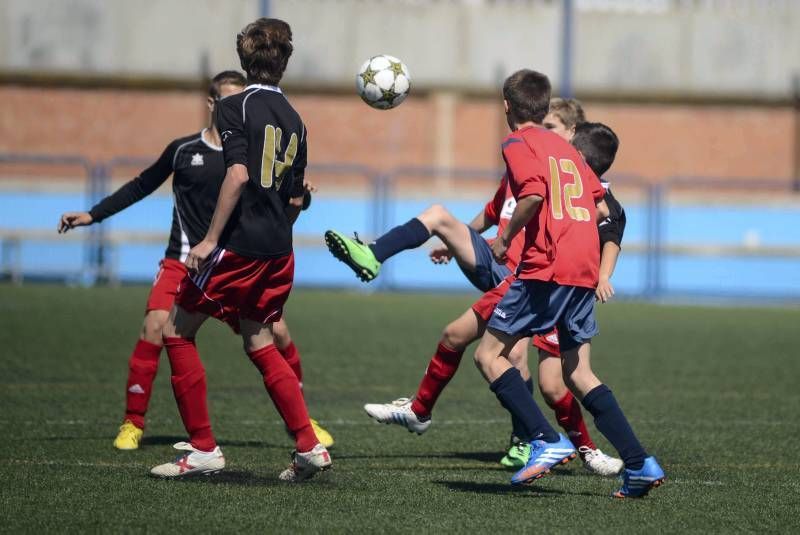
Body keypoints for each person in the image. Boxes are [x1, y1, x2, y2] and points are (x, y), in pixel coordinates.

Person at [324, 119, 623, 477]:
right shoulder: (528, 163)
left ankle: (570, 446)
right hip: (508, 268)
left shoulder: (574, 183)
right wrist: (460, 243)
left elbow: (611, 226)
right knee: (439, 223)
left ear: (571, 137)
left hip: (540, 280)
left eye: (553, 126)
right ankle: (373, 256)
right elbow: (495, 212)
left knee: (546, 380)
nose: (545, 131)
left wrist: (603, 274)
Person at [57, 71, 333, 453]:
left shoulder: (253, 159)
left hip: (234, 260)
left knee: (277, 334)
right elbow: (142, 184)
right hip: (184, 259)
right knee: (155, 325)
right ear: (212, 104)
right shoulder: (184, 150)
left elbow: (283, 206)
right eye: (229, 101)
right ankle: (133, 422)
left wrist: (301, 195)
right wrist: (93, 214)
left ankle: (303, 420)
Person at [146, 18, 332, 482]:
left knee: (176, 329)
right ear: (285, 62)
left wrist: (209, 240)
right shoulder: (296, 119)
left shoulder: (233, 107)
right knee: (259, 339)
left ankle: (204, 447)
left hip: (240, 248)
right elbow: (293, 199)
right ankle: (309, 446)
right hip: (278, 250)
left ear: (244, 59)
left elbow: (237, 175)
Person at [473, 69, 664, 497]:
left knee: (488, 356)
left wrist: (505, 238)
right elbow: (600, 208)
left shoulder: (519, 143)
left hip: (549, 266)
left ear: (507, 106)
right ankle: (640, 463)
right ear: (543, 108)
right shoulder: (566, 149)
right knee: (579, 372)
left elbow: (535, 195)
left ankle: (545, 439)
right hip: (583, 265)